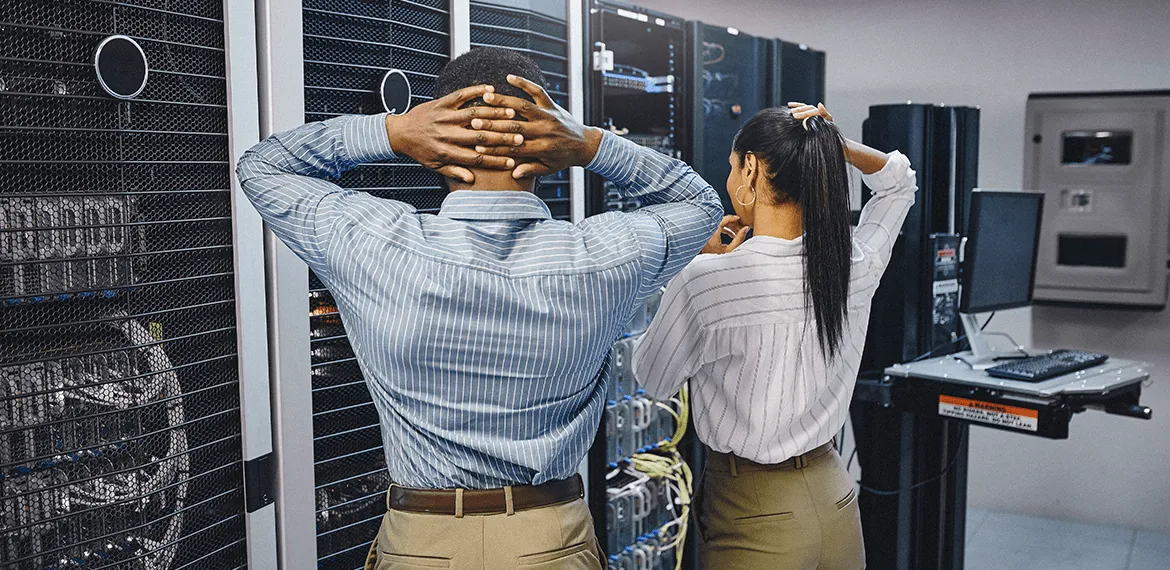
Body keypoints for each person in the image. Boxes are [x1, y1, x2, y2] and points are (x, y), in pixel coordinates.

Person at [237, 47, 722, 570]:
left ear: (439, 140)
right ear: (546, 138)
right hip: (552, 540)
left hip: (423, 543)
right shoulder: (605, 257)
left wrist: (392, 132)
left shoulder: (372, 244)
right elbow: (700, 204)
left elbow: (261, 165)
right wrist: (588, 145)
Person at [631, 102, 917, 570]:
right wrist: (830, 144)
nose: (728, 181)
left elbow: (653, 378)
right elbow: (898, 183)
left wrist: (690, 269)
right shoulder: (854, 266)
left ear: (751, 169)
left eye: (730, 166)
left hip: (753, 512)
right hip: (834, 499)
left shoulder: (707, 279)